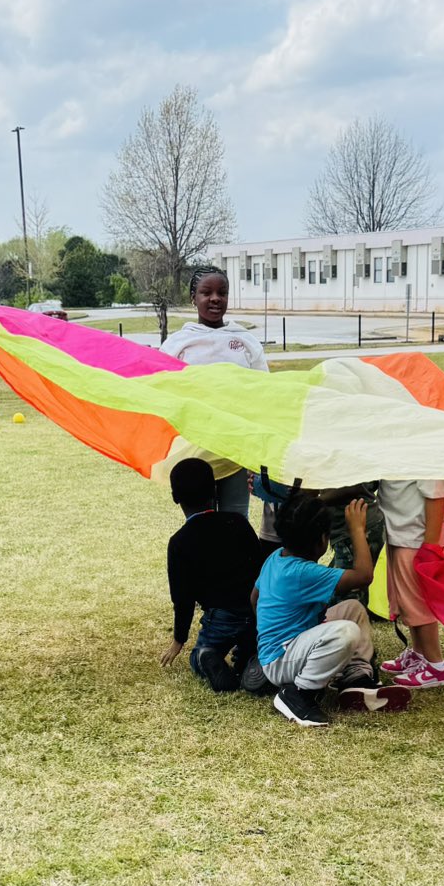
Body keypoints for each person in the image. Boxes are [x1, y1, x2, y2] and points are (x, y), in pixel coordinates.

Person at [254, 491, 410, 726]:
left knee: (353, 609)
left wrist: (272, 630)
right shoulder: (304, 573)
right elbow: (364, 576)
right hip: (281, 661)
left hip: (281, 650)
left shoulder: (276, 557)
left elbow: (254, 598)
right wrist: (357, 529)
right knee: (345, 631)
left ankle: (355, 677)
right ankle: (299, 695)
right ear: (322, 541)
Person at [164, 268, 266, 518]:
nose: (215, 298)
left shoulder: (245, 341)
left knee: (236, 520)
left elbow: (264, 394)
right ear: (193, 297)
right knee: (200, 522)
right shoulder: (178, 343)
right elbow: (163, 388)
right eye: (206, 292)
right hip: (195, 450)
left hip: (236, 450)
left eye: (222, 293)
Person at [160, 458, 265, 693]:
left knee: (200, 656)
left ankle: (206, 656)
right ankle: (251, 659)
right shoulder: (238, 522)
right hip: (256, 611)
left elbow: (182, 598)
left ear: (176, 498)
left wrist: (179, 640)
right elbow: (260, 568)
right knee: (250, 645)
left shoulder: (179, 542)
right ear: (215, 490)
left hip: (221, 617)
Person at [378, 479, 444, 689]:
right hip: (402, 534)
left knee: (417, 603)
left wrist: (429, 547)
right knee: (406, 601)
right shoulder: (412, 448)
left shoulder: (430, 453)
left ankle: (437, 666)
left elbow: (436, 496)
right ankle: (419, 654)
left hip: (416, 539)